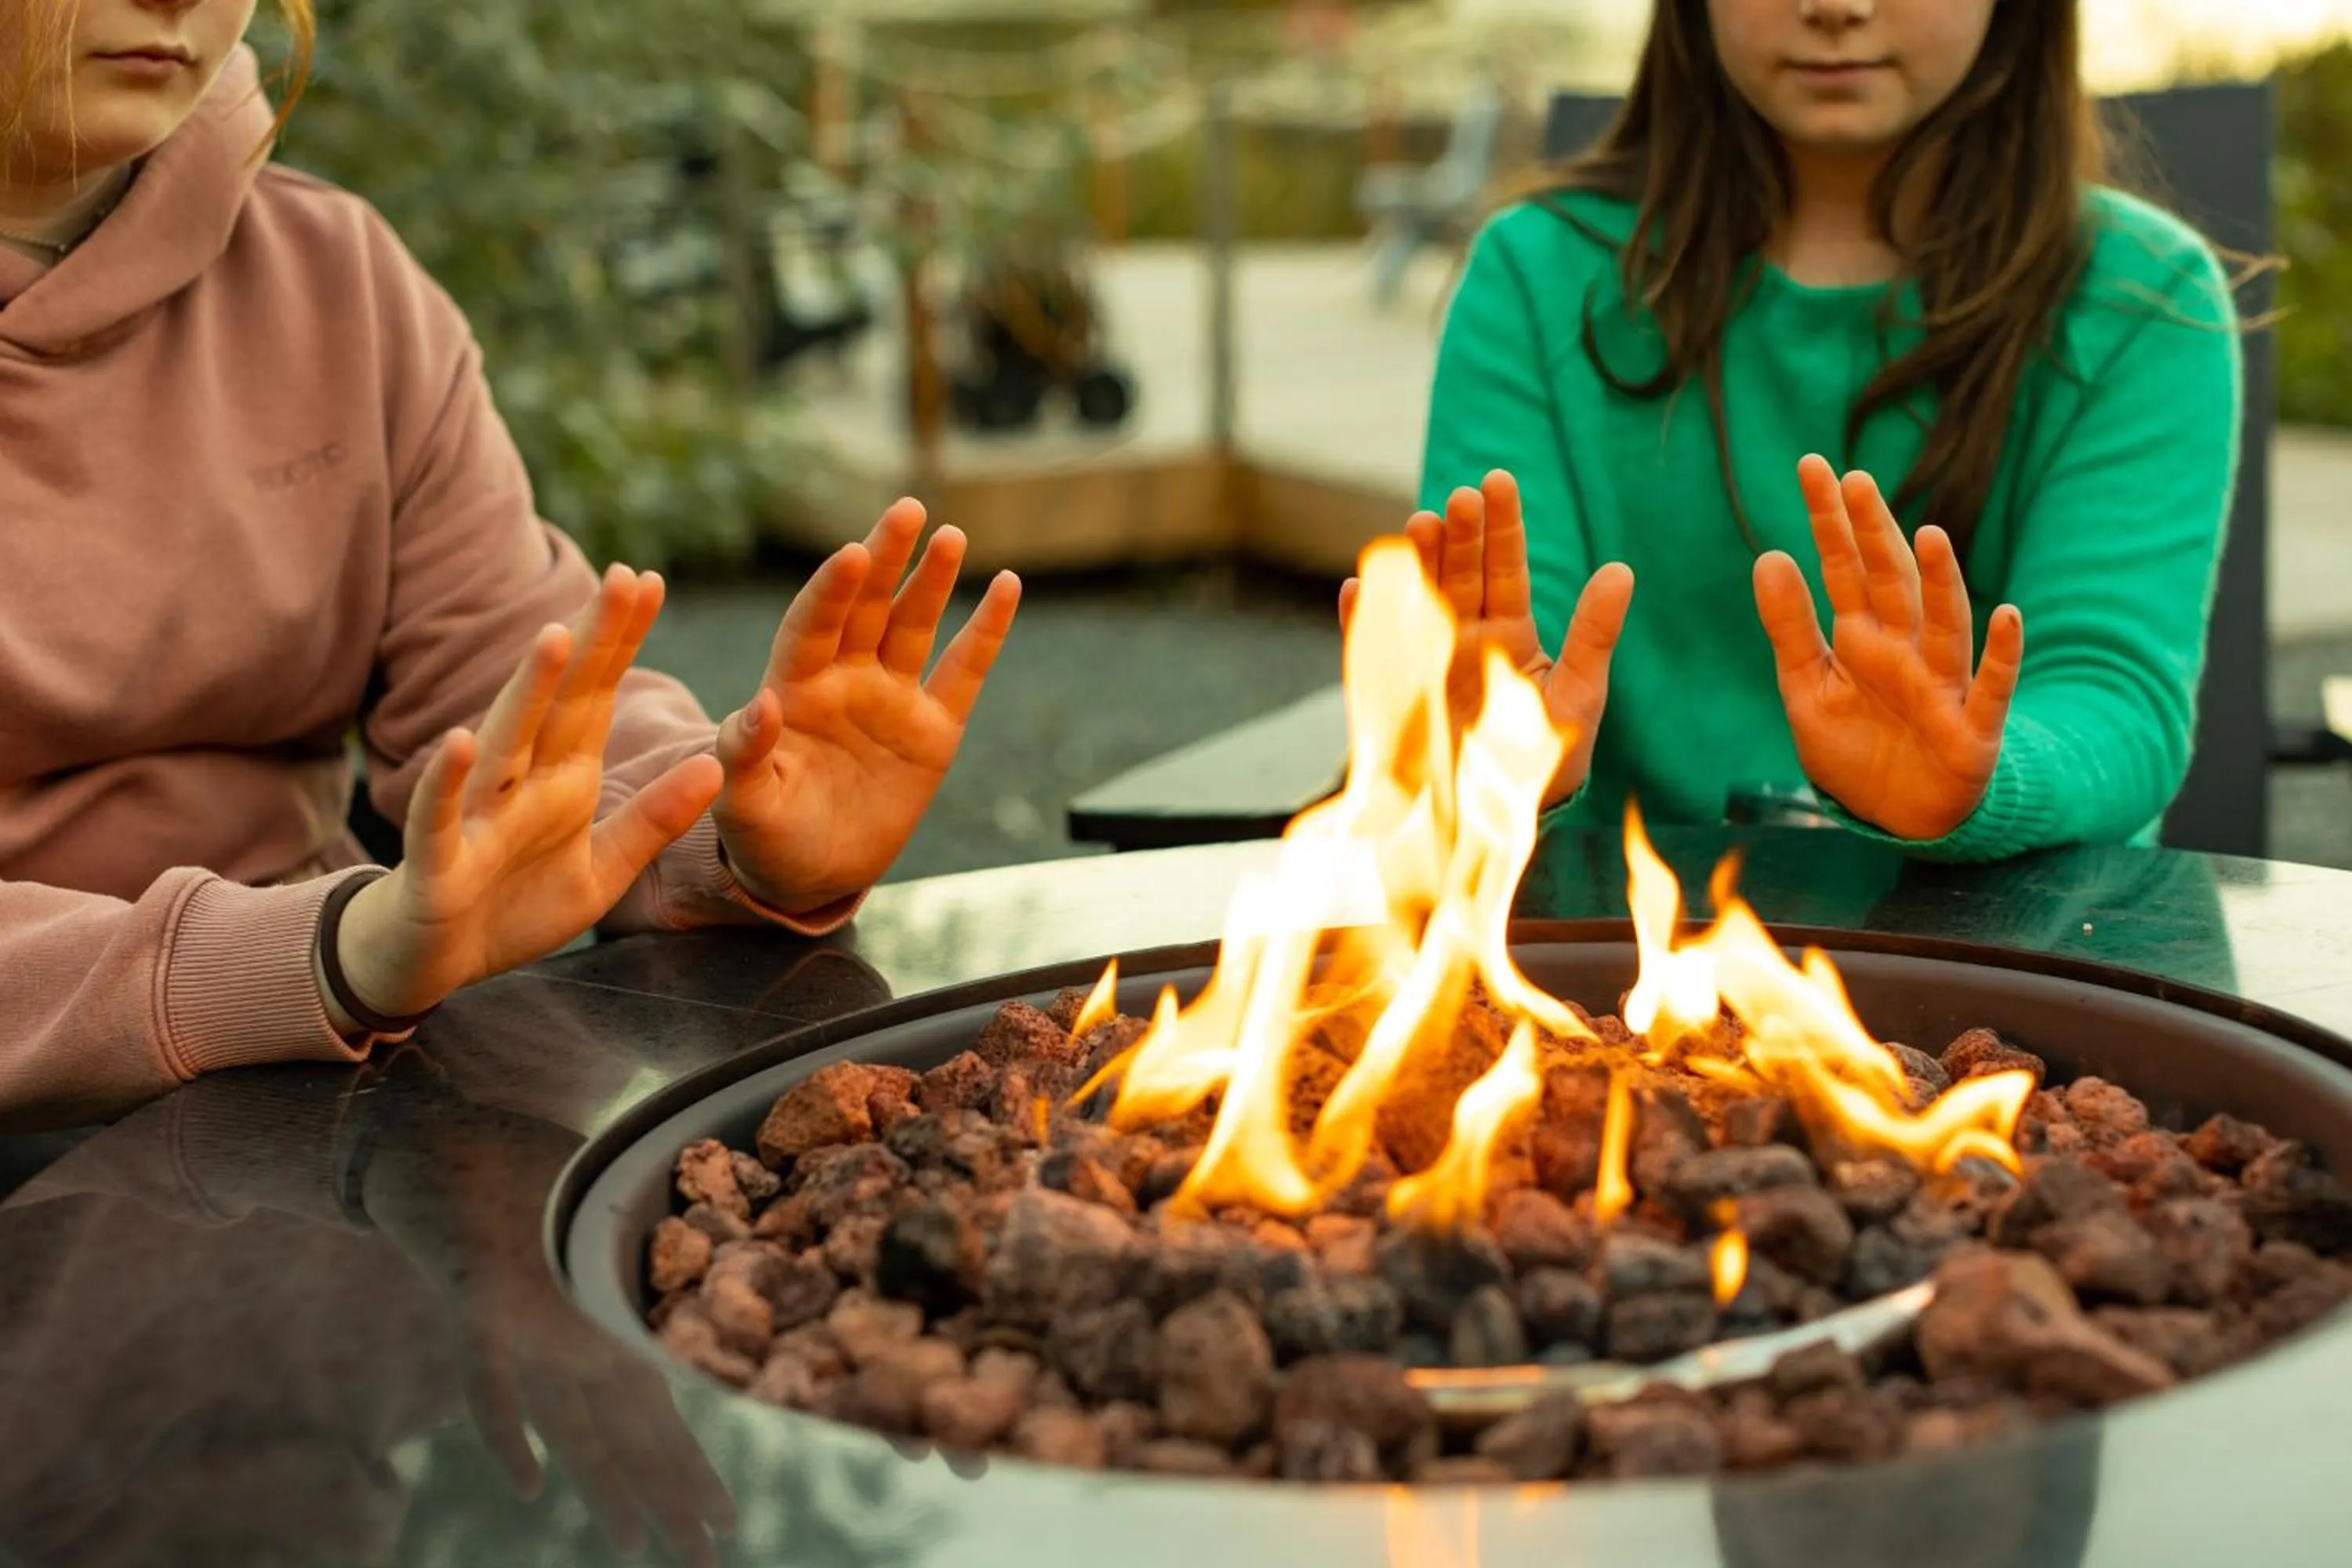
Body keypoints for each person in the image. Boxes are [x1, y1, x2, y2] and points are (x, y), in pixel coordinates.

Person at [0, 1, 1022, 1129]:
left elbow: (517, 691)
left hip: (327, 1077)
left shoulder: (333, 280)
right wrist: (317, 953)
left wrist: (727, 825)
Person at [1396, 0, 2243, 858]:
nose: (1836, 7)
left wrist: (1973, 775)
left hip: (2010, 944)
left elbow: (2115, 691)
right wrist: (1495, 750)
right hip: (1625, 948)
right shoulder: (1532, 275)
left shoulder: (2145, 295)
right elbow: (1504, 652)